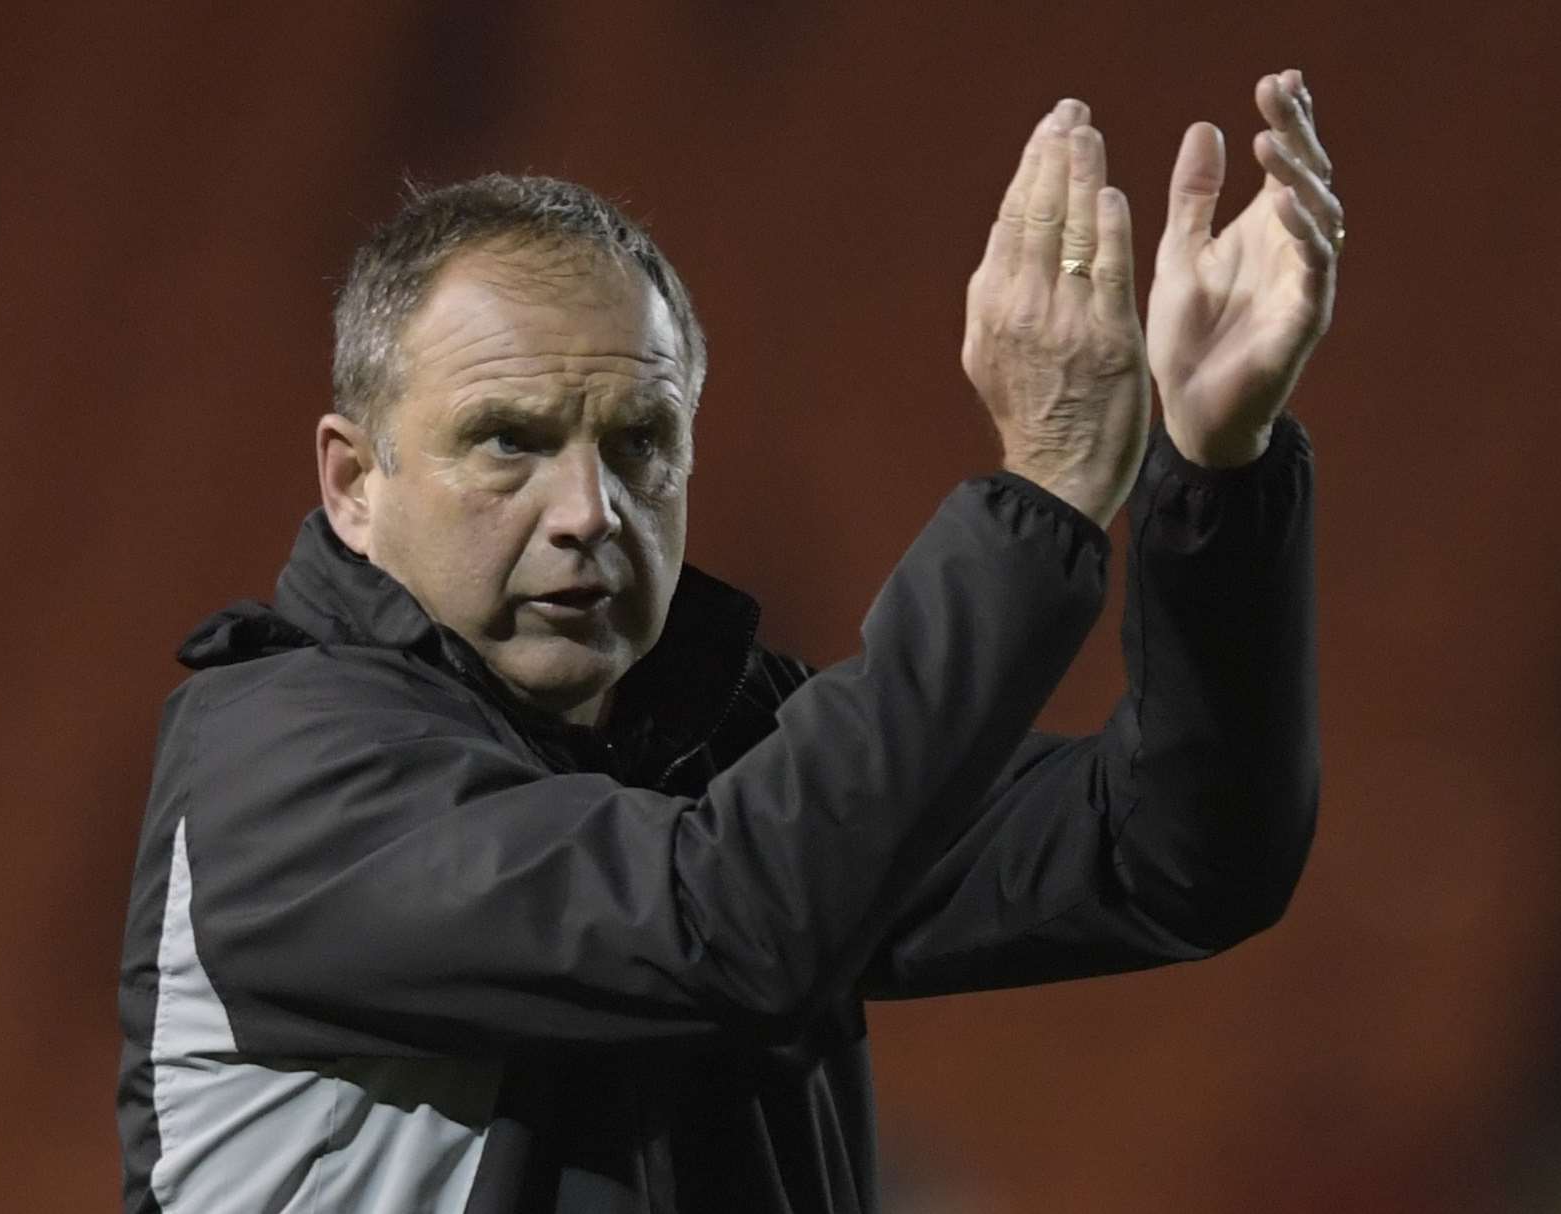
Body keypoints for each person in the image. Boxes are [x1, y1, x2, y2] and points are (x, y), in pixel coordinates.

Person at [117, 71, 1340, 1214]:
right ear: (351, 482)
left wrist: (1215, 471)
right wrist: (1051, 484)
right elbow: (724, 921)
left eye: (639, 441)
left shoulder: (714, 745)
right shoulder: (276, 773)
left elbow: (1178, 851)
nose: (587, 511)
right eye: (507, 439)